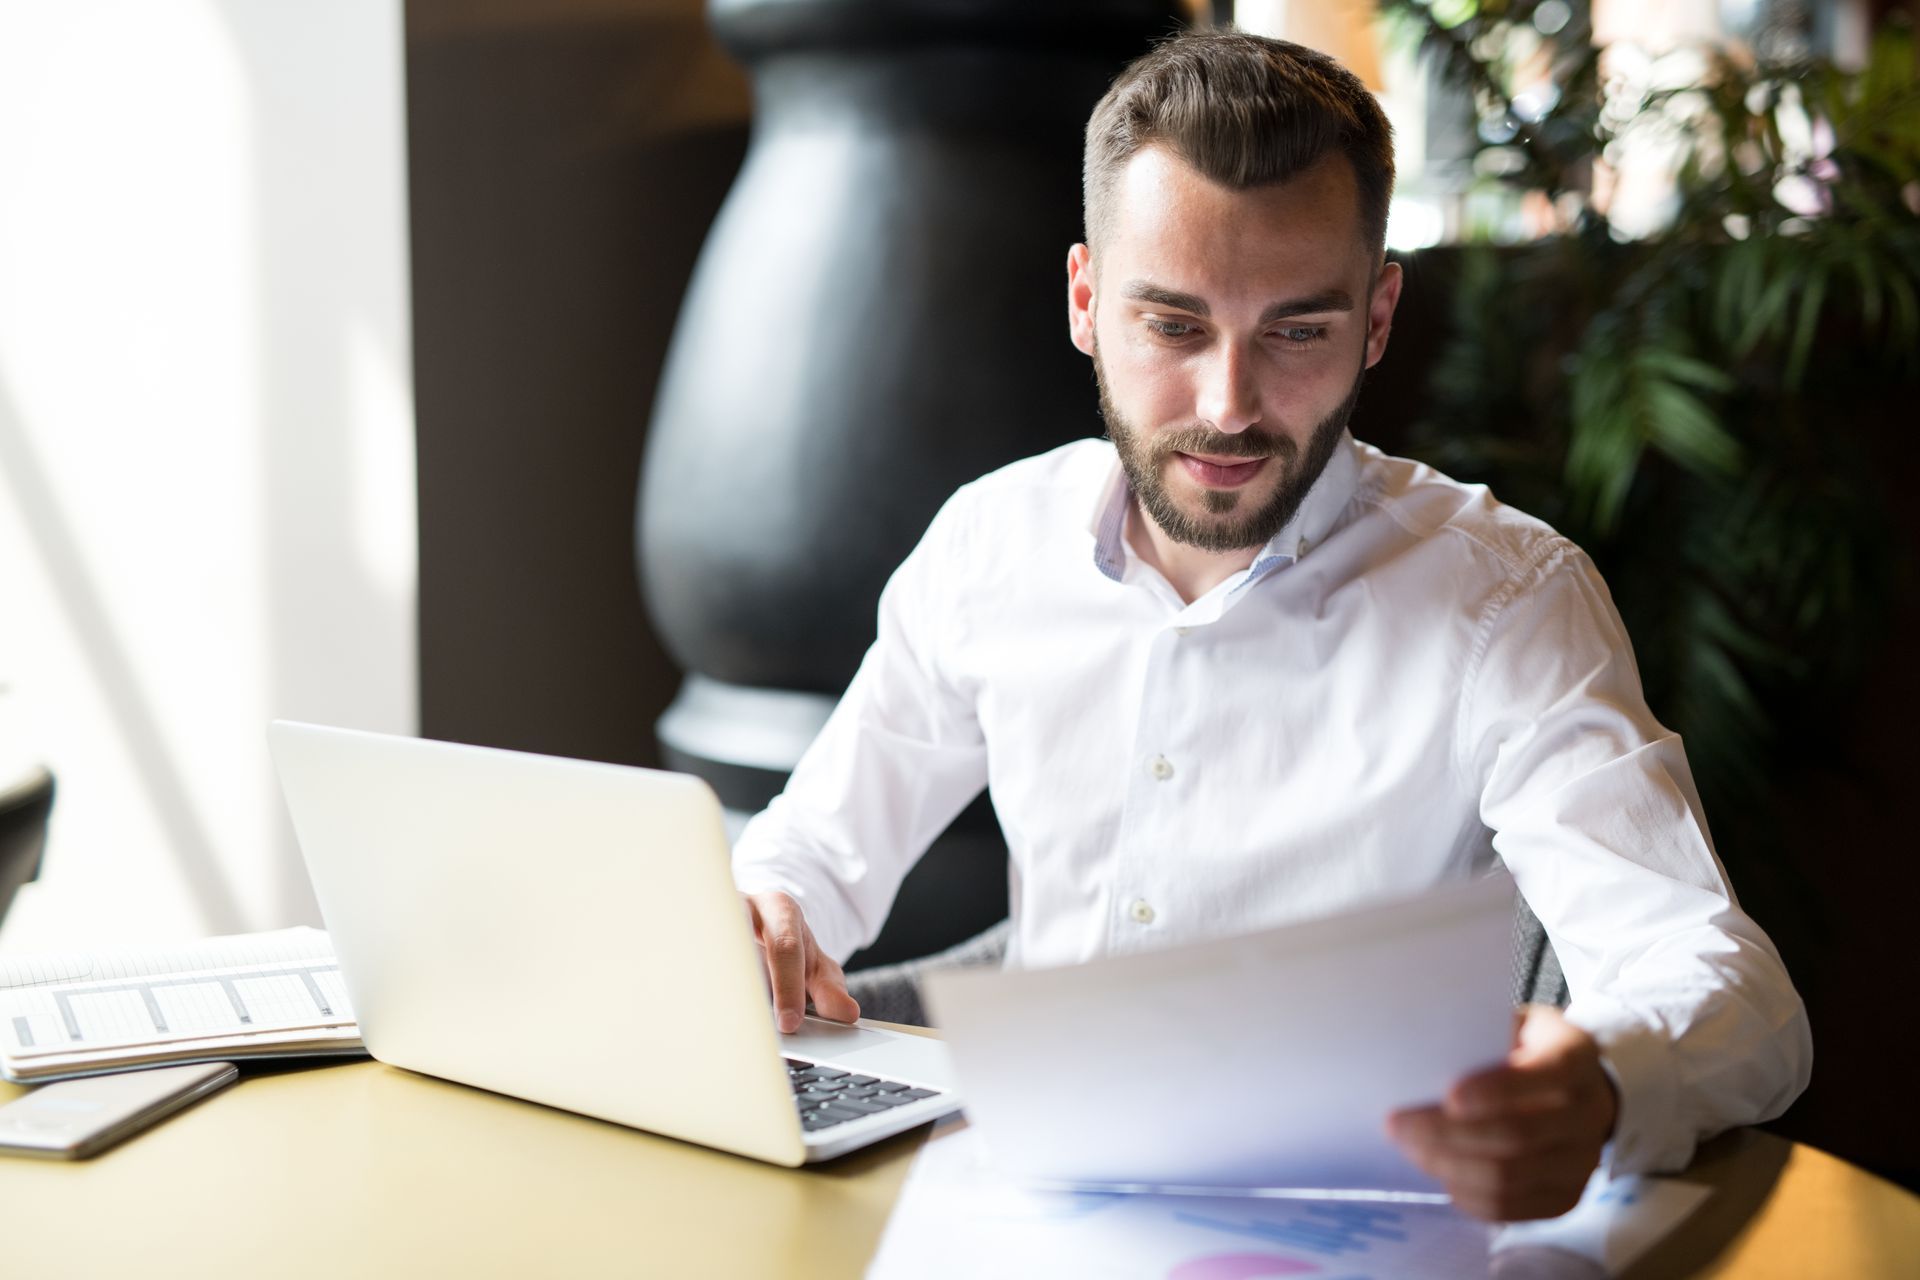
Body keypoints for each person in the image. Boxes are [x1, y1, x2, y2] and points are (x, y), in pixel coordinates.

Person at [730, 30, 1811, 1221]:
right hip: (1019, 1207)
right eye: (1175, 326)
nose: (1229, 405)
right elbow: (812, 852)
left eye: (1297, 329)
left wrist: (1607, 1083)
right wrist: (769, 906)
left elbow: (1733, 992)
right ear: (1089, 301)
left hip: (1351, 1226)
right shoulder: (991, 546)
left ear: (1380, 314)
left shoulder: (1507, 598)